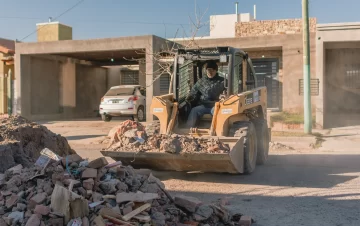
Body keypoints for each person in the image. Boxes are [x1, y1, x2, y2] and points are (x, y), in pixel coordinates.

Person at [185, 60, 226, 128]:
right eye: (208, 70)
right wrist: (190, 97)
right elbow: (193, 92)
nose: (210, 72)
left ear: (216, 70)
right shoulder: (201, 82)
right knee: (194, 110)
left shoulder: (222, 81)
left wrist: (225, 96)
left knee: (217, 113)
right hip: (204, 105)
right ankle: (187, 130)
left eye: (212, 70)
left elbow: (229, 91)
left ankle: (218, 129)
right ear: (206, 70)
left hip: (216, 105)